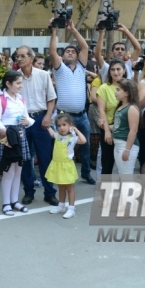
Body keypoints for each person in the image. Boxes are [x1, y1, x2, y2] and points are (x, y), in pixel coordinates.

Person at [49, 18, 96, 184]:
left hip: (82, 116)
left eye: (73, 51)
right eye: (67, 51)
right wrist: (54, 31)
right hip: (64, 116)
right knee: (59, 146)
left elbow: (85, 47)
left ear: (78, 56)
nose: (70, 52)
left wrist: (73, 30)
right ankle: (57, 174)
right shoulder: (59, 68)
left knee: (85, 145)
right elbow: (53, 52)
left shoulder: (82, 67)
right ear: (63, 56)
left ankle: (86, 173)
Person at [15, 45, 58, 206]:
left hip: (41, 119)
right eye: (17, 56)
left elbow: (51, 98)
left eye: (21, 56)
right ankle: (28, 192)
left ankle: (49, 192)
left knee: (45, 157)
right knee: (26, 158)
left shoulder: (43, 75)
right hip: (22, 121)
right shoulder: (15, 76)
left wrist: (48, 116)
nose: (18, 59)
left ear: (31, 58)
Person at [0, 70, 34, 216]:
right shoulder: (0, 100)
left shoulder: (21, 99)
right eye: (18, 83)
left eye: (21, 83)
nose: (21, 86)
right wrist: (5, 133)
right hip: (7, 136)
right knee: (8, 171)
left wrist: (28, 122)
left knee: (18, 171)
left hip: (20, 134)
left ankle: (15, 201)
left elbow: (27, 118)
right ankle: (6, 203)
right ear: (8, 84)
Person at [46, 113, 87, 219]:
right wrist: (48, 125)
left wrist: (76, 130)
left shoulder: (72, 138)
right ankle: (61, 205)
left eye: (64, 125)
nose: (61, 128)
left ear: (70, 125)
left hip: (67, 166)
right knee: (60, 186)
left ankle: (71, 208)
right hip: (58, 165)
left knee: (69, 187)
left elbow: (83, 140)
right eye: (59, 126)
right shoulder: (57, 136)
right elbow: (51, 133)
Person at [96, 59, 127, 176]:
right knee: (107, 165)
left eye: (118, 69)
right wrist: (107, 131)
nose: (116, 72)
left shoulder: (129, 86)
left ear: (124, 71)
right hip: (108, 127)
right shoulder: (104, 88)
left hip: (125, 129)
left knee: (124, 166)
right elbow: (101, 111)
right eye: (112, 70)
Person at [112, 79, 140, 174]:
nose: (115, 92)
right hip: (118, 145)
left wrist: (127, 149)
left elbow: (133, 130)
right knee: (122, 174)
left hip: (125, 145)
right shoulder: (121, 107)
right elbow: (118, 126)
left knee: (126, 176)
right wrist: (105, 125)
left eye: (118, 90)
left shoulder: (132, 108)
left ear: (126, 93)